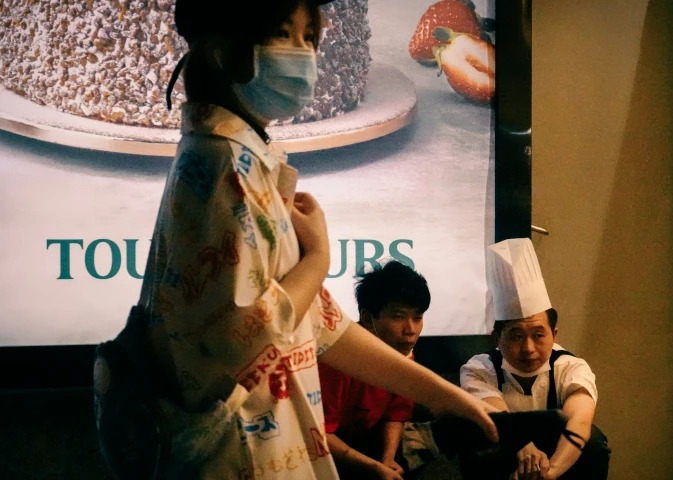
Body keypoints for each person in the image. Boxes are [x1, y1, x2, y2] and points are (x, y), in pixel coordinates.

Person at [92, 1, 499, 479]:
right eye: (285, 34)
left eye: (310, 38)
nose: (304, 54)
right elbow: (243, 334)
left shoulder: (245, 159)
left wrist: (442, 395)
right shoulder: (222, 165)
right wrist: (319, 259)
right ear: (224, 50)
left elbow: (320, 325)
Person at [459, 238, 611, 480]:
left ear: (554, 334)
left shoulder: (571, 367)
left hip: (560, 460)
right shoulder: (479, 369)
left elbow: (579, 423)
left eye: (538, 335)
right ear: (497, 337)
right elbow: (499, 419)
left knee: (593, 443)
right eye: (516, 336)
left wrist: (551, 473)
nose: (528, 348)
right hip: (505, 454)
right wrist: (523, 448)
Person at [319, 260, 430, 479]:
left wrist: (387, 459)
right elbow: (320, 433)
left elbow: (396, 412)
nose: (411, 330)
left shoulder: (402, 350)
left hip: (368, 442)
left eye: (417, 318)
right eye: (398, 317)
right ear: (368, 318)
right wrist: (373, 467)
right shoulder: (337, 359)